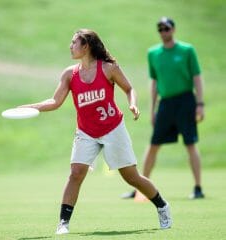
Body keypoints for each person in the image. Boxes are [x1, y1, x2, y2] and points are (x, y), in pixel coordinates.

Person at [18, 29, 172, 234]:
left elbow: (129, 88)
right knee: (76, 173)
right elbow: (55, 101)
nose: (70, 46)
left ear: (86, 46)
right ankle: (63, 223)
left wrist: (132, 104)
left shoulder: (109, 69)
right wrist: (31, 107)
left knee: (131, 177)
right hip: (86, 132)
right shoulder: (69, 74)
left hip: (113, 128)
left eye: (74, 42)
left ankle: (162, 206)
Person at [121, 17, 205, 200]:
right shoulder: (153, 53)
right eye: (160, 29)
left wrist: (200, 104)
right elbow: (154, 82)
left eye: (166, 28)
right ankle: (140, 189)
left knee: (190, 143)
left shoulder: (187, 50)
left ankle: (198, 188)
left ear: (173, 29)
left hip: (185, 101)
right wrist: (152, 109)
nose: (163, 32)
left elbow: (197, 78)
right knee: (153, 145)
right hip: (165, 104)